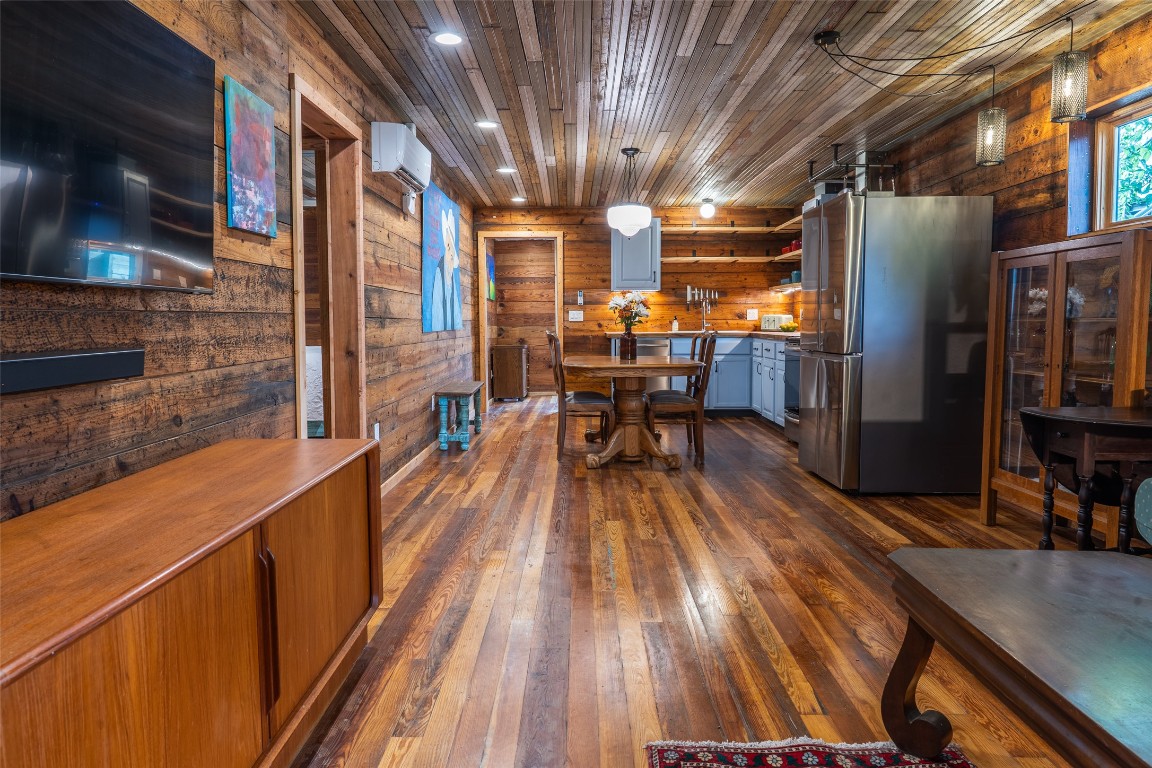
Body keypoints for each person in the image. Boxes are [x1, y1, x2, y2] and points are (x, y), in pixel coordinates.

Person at [430, 208, 461, 330]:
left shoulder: (451, 276)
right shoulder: (439, 273)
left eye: (452, 249)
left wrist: (457, 325)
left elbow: (457, 312)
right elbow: (437, 312)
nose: (451, 254)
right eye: (448, 247)